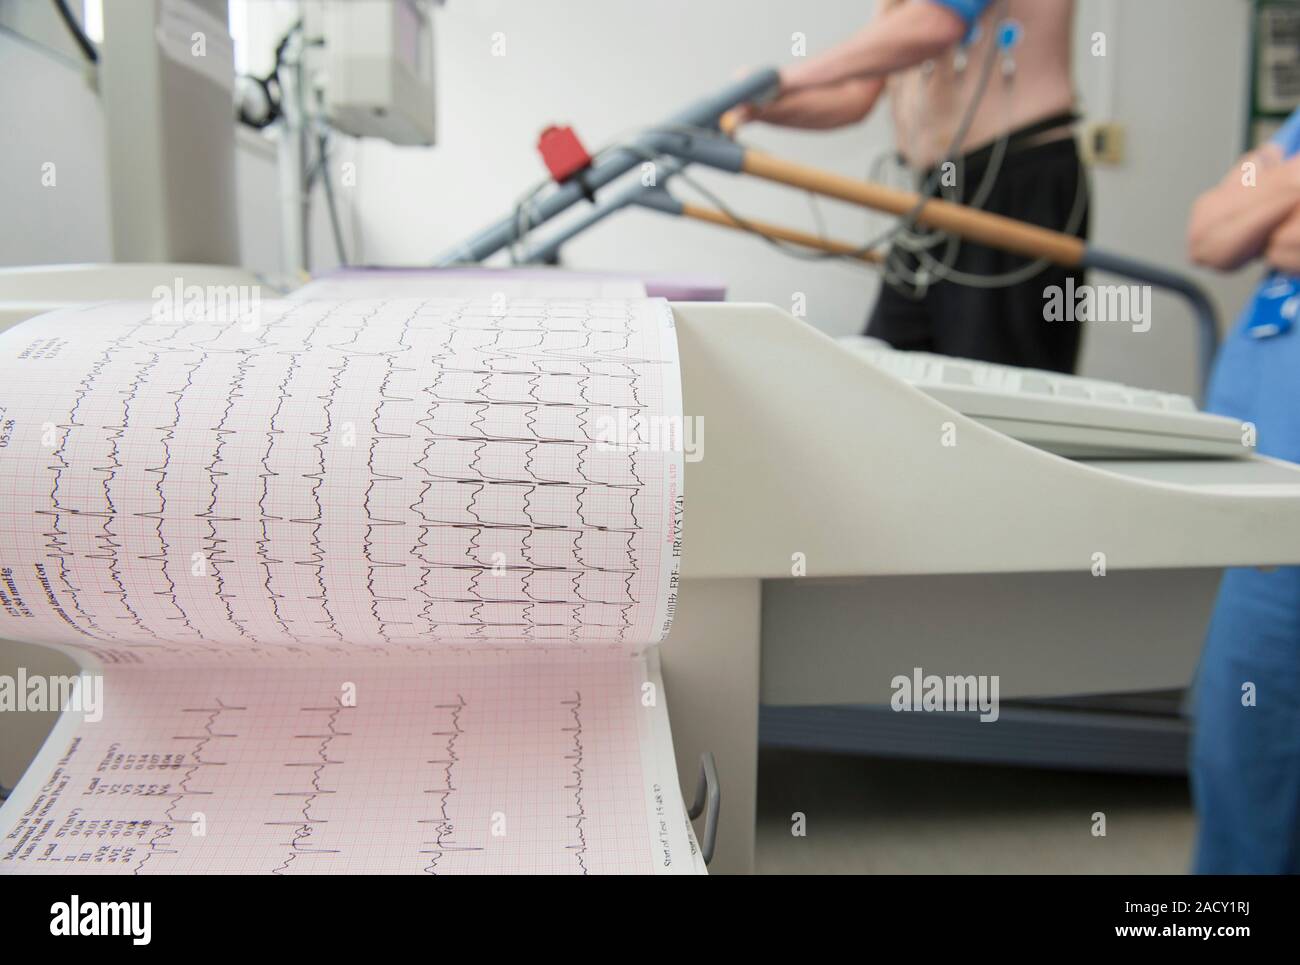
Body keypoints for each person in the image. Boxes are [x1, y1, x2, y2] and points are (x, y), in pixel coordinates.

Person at [731, 0, 1088, 372]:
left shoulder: (929, 17)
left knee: (994, 380)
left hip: (1016, 180)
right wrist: (760, 106)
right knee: (889, 371)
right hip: (936, 198)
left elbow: (936, 26)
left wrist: (783, 78)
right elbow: (854, 96)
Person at [1185, 108, 1300, 874]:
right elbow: (1211, 233)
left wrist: (1270, 202)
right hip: (1260, 483)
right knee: (1240, 735)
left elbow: (1262, 230)